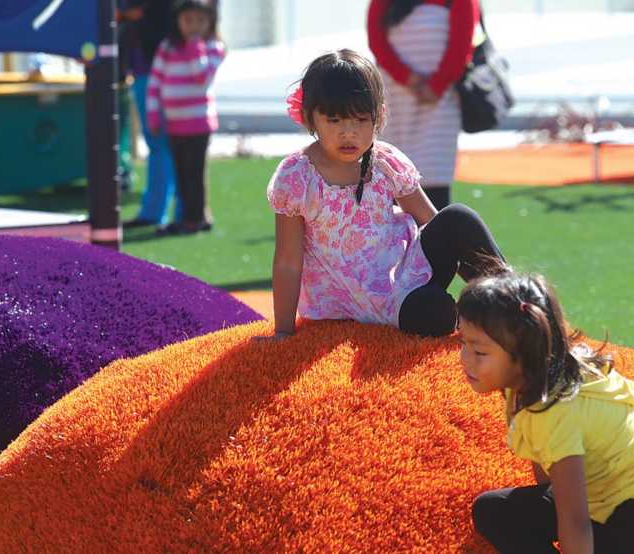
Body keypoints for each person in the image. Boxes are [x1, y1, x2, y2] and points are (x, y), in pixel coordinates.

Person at [258, 49, 507, 341]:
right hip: (353, 299)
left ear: (379, 116)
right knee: (436, 312)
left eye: (361, 120)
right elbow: (288, 260)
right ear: (309, 117)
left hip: (406, 275)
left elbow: (432, 222)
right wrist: (283, 331)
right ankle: (463, 314)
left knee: (458, 218)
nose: (348, 133)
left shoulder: (386, 161)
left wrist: (458, 247)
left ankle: (511, 304)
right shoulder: (298, 177)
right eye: (334, 121)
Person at [457, 272, 634, 554]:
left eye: (479, 351)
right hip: (595, 497)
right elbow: (550, 479)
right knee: (492, 510)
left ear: (524, 352)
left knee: (576, 532)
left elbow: (574, 520)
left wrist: (570, 528)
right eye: (462, 343)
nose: (464, 359)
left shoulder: (557, 410)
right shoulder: (531, 382)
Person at [367, 0, 478, 210]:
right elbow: (376, 38)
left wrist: (437, 85)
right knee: (388, 172)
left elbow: (463, 40)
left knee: (433, 175)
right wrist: (407, 78)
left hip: (439, 101)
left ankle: (434, 239)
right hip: (395, 99)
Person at [146, 0, 225, 234]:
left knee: (194, 173)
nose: (194, 26)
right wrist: (152, 113)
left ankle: (195, 219)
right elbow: (155, 81)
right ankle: (190, 217)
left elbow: (202, 77)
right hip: (174, 124)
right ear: (178, 21)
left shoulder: (212, 47)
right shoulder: (167, 47)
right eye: (188, 20)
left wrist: (195, 47)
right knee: (181, 173)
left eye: (200, 20)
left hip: (199, 123)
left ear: (210, 21)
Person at [121, 0, 181, 228]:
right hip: (147, 68)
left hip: (156, 70)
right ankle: (164, 211)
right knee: (163, 145)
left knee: (162, 144)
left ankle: (160, 211)